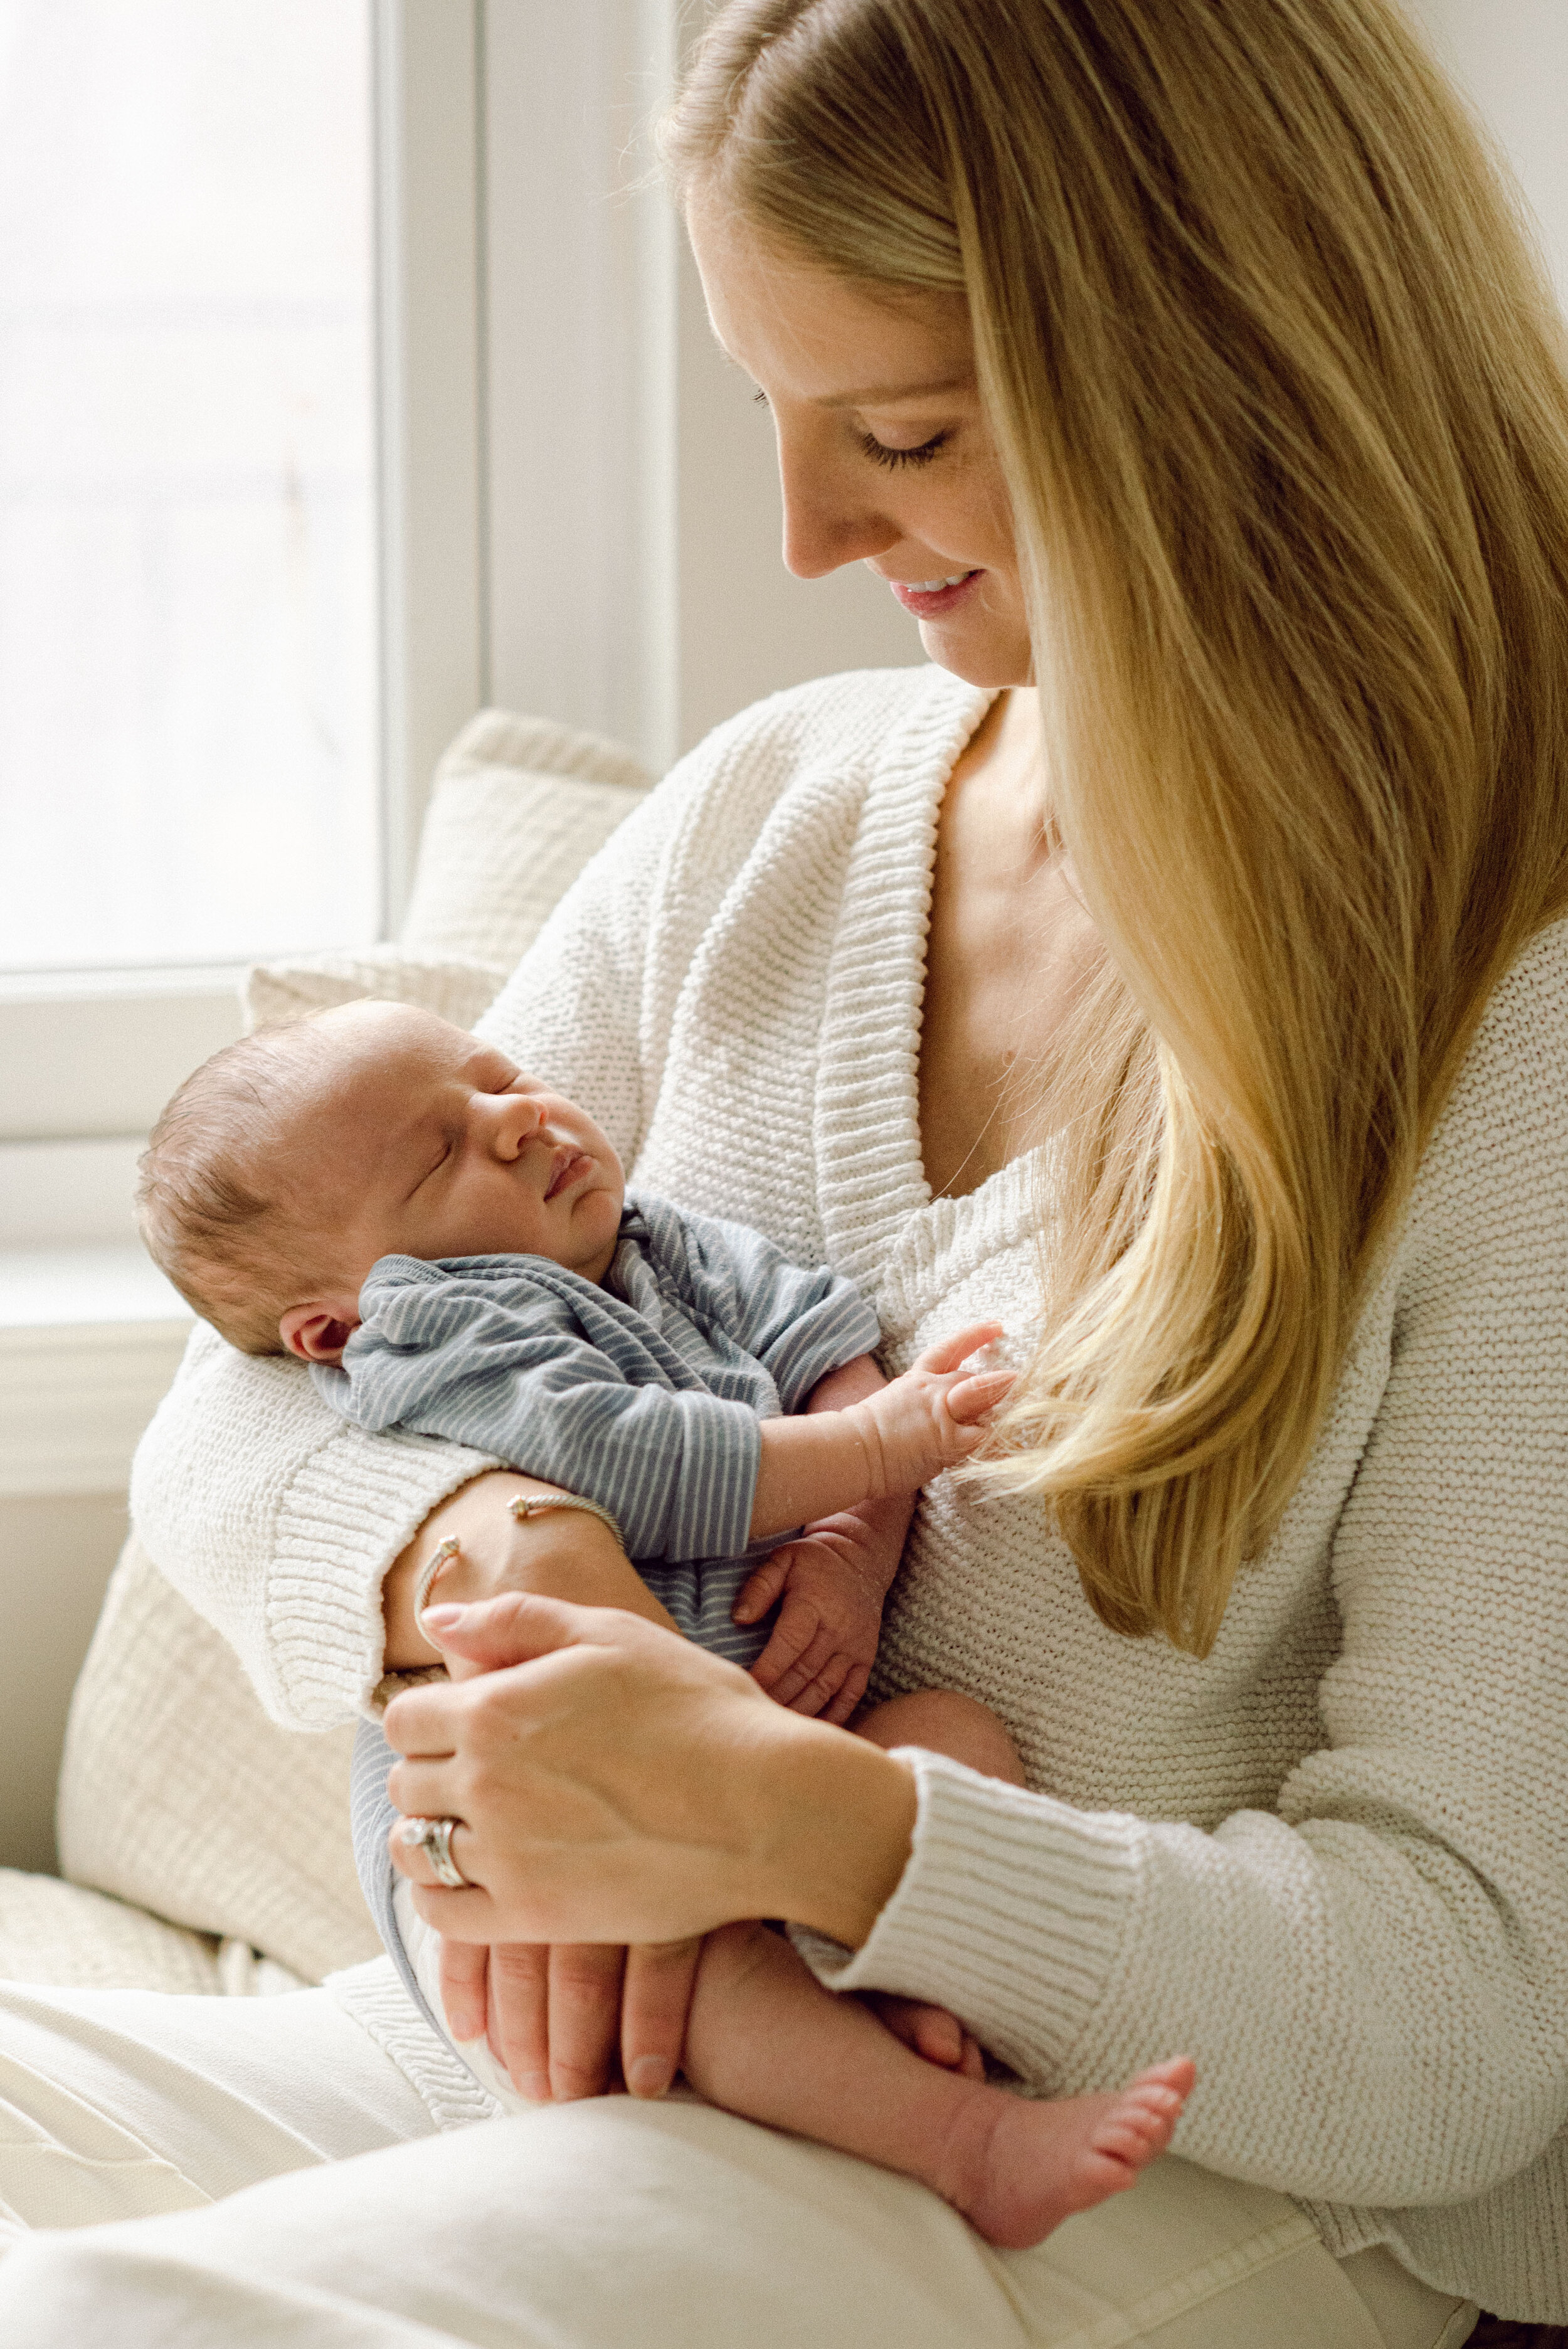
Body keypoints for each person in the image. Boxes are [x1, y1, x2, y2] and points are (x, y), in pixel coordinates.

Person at [1, 0, 1565, 2340]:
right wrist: (487, 1564)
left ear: (1225, 367)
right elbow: (254, 1388)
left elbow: (1468, 2009)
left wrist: (804, 1825)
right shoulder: (788, 813)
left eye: (901, 430)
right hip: (537, 2054)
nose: (810, 533)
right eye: (770, 411)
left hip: (1131, 2173)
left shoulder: (1510, 1027)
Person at [130, 997, 1198, 2245]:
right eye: (439, 1153)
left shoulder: (658, 1243)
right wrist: (872, 1445)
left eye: (498, 1079)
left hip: (760, 1756)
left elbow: (826, 1342)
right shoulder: (432, 1328)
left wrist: (849, 1549)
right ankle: (969, 2147)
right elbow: (619, 1456)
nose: (518, 1122)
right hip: (528, 1807)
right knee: (702, 1961)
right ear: (334, 1323)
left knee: (952, 1741)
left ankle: (879, 2015)